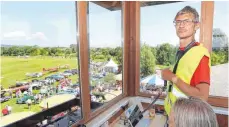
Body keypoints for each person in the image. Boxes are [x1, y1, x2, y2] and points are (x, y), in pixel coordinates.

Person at [161, 6, 211, 115]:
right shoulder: (180, 52)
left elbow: (202, 97)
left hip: (185, 119)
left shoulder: (200, 54)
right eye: (178, 21)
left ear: (196, 26)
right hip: (173, 115)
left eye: (187, 21)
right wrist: (168, 72)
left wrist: (171, 77)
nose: (181, 25)